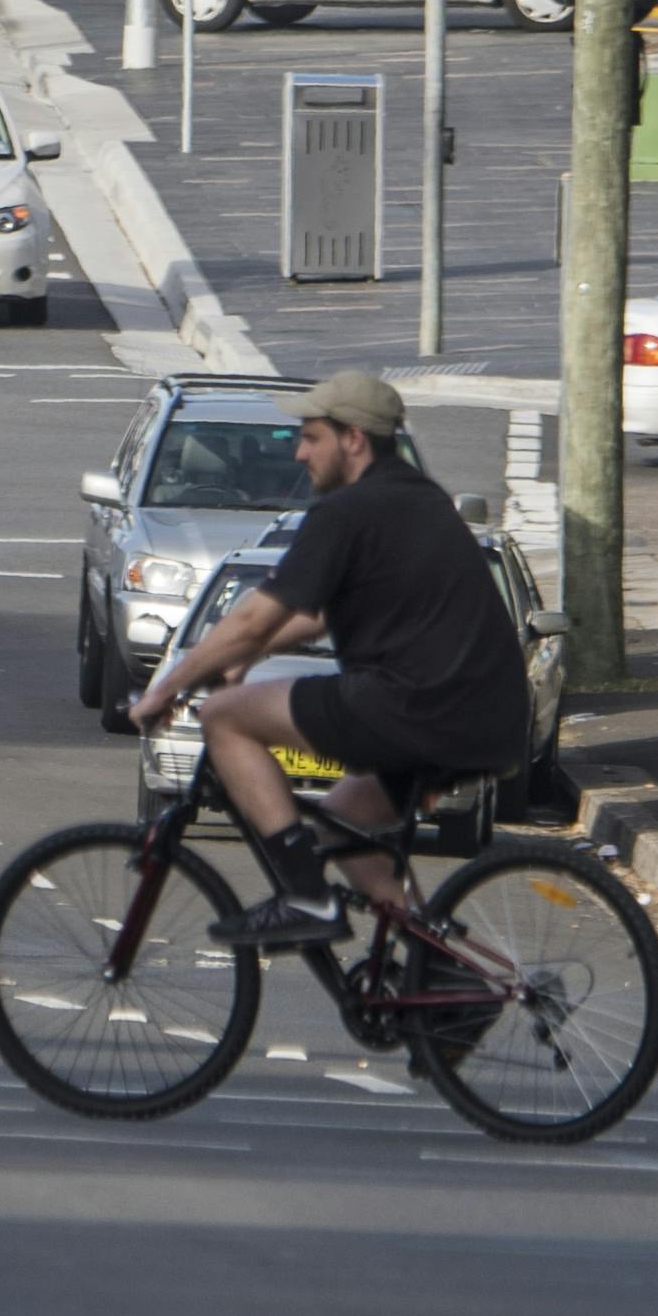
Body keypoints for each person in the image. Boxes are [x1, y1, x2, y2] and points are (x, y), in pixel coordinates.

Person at [119, 366, 539, 965]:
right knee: (341, 825)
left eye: (311, 436)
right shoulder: (418, 501)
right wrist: (247, 657)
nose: (298, 452)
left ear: (353, 440)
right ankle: (451, 976)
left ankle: (306, 899)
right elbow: (311, 618)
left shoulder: (350, 511)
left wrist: (168, 687)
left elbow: (251, 618)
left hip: (416, 704)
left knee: (224, 716)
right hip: (479, 714)